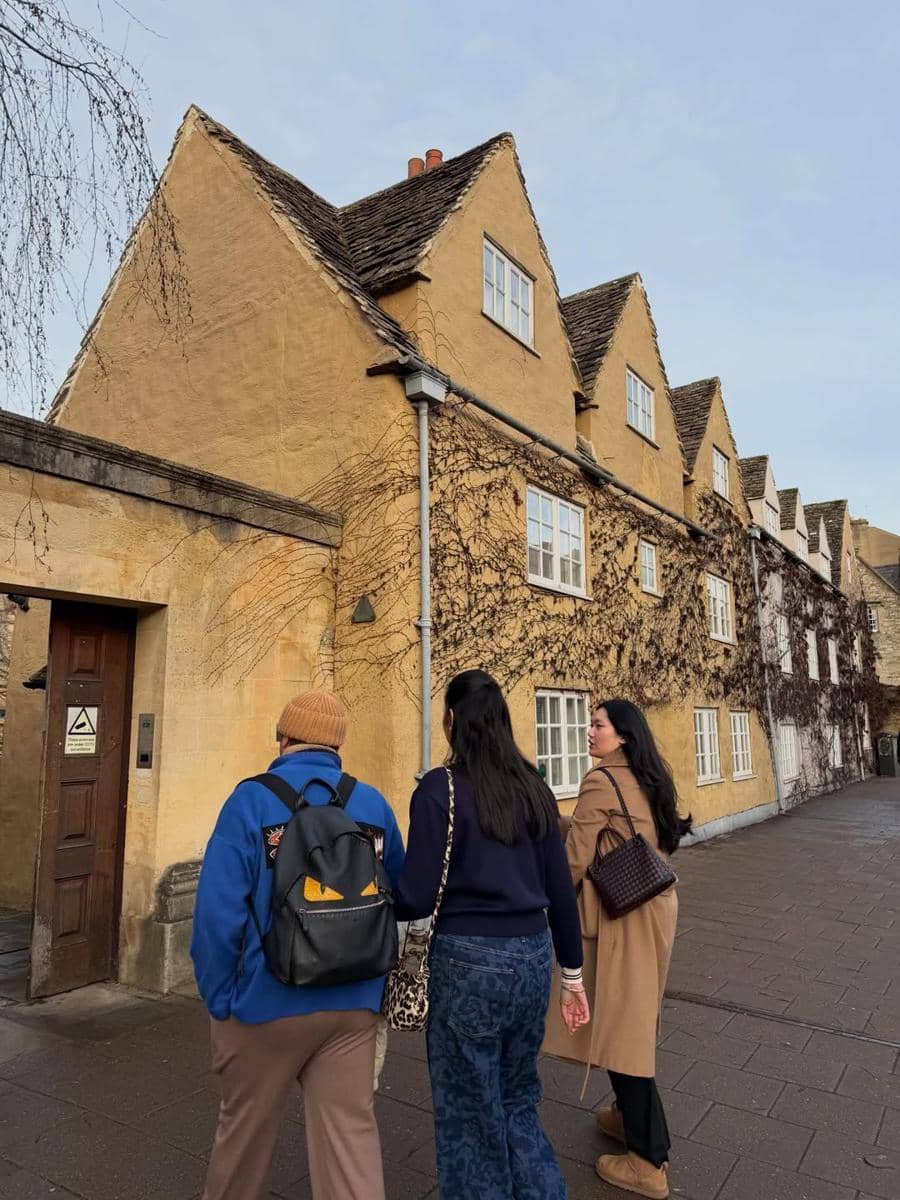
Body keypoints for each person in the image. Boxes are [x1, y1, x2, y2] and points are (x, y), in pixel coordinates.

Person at [191, 689, 405, 1200]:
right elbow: (396, 889)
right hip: (353, 1001)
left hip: (266, 1003)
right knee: (350, 1143)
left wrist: (222, 1001)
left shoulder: (250, 800)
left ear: (284, 738)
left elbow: (216, 917)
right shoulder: (371, 802)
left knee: (243, 1140)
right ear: (337, 745)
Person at [394, 669, 589, 1200]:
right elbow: (560, 891)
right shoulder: (536, 789)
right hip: (532, 958)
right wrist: (572, 976)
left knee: (468, 1112)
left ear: (454, 721)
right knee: (518, 1097)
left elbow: (414, 896)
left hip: (467, 963)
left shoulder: (440, 790)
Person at [544, 699, 690, 1200]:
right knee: (631, 1013)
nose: (589, 732)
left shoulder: (600, 781)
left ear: (622, 735)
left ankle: (649, 1161)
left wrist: (543, 904)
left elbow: (574, 863)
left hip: (621, 914)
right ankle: (626, 1118)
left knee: (622, 1021)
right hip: (653, 904)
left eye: (598, 725)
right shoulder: (649, 777)